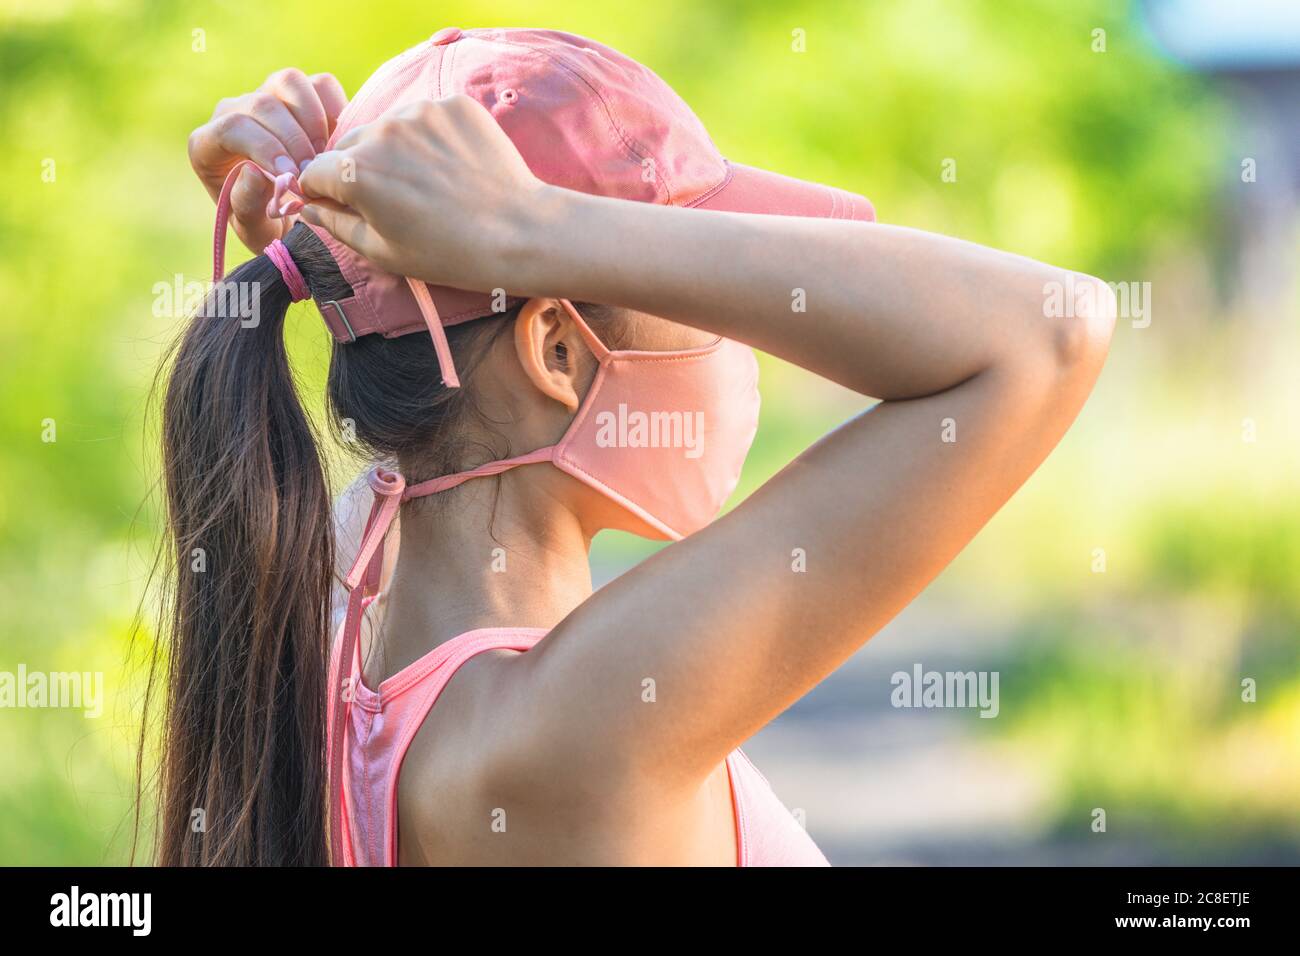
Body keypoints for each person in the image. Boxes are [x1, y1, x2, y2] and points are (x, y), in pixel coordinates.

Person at [156, 27, 1114, 866]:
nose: (734, 343)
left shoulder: (327, 651)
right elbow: (1050, 331)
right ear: (561, 349)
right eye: (683, 280)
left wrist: (315, 243)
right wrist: (532, 229)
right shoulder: (571, 728)